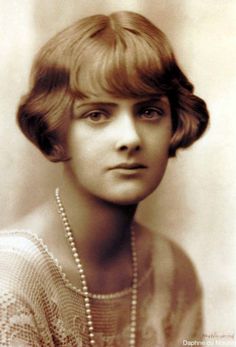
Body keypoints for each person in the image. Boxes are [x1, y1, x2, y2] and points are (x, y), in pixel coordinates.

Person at [0, 10, 209, 347]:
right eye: (97, 115)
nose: (130, 138)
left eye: (149, 112)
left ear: (174, 125)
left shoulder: (173, 270)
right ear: (55, 135)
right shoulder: (11, 278)